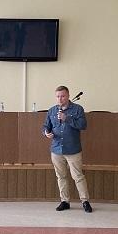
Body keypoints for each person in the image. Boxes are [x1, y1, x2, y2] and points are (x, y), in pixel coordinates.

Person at [42, 85, 92, 213]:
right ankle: (65, 201)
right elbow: (45, 126)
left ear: (68, 96)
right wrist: (46, 132)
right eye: (58, 96)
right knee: (61, 176)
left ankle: (85, 201)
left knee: (78, 176)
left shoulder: (77, 109)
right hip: (56, 150)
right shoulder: (52, 111)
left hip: (73, 149)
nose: (60, 99)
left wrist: (67, 118)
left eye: (63, 96)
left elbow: (83, 125)